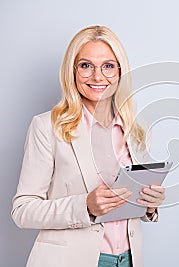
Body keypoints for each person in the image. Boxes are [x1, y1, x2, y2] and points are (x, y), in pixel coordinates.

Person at [11, 25, 165, 267]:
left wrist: (148, 205)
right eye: (86, 66)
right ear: (72, 71)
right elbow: (22, 210)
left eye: (108, 66)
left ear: (120, 72)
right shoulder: (46, 127)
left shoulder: (135, 130)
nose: (97, 77)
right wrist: (85, 206)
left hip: (129, 260)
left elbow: (128, 201)